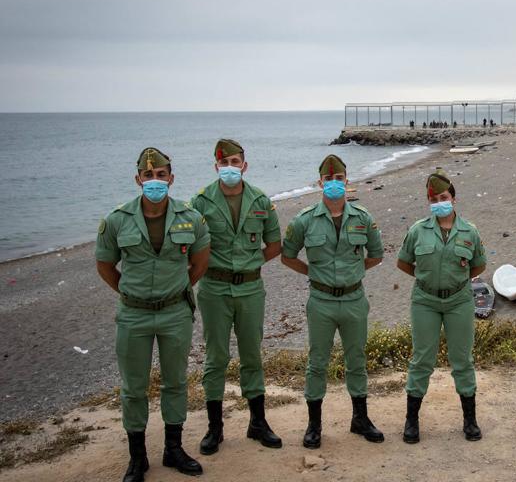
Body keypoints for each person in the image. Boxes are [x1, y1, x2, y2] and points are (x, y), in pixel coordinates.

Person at [95, 148, 210, 482]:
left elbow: (200, 261)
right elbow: (105, 265)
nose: (155, 181)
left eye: (161, 175)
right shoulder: (117, 220)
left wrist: (177, 288)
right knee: (134, 388)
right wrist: (131, 293)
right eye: (149, 176)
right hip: (134, 316)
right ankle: (137, 458)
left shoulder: (190, 217)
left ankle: (173, 450)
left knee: (175, 381)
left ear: (171, 179)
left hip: (175, 312)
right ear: (138, 180)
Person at [281, 154, 385, 448]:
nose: (334, 184)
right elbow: (288, 256)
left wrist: (353, 273)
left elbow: (376, 255)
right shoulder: (304, 220)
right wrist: (313, 273)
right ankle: (314, 425)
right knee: (317, 362)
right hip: (321, 301)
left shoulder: (363, 218)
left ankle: (360, 419)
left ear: (347, 181)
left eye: (339, 179)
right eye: (329, 180)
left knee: (357, 360)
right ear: (320, 183)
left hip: (354, 298)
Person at [191, 139, 283, 455]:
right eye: (223, 162)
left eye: (235, 161)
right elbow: (190, 247)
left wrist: (247, 264)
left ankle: (258, 423)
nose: (229, 167)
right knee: (216, 357)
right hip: (214, 289)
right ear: (216, 166)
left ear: (245, 165)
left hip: (250, 289)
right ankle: (215, 429)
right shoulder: (200, 202)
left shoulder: (260, 200)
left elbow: (274, 244)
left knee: (252, 355)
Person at [396, 169, 486, 443]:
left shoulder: (469, 232)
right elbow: (403, 262)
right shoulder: (417, 230)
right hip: (425, 301)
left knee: (462, 359)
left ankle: (469, 421)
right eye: (434, 198)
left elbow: (478, 265)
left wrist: (452, 283)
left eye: (444, 196)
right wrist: (428, 282)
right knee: (422, 359)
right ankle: (412, 421)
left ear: (454, 198)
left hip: (459, 300)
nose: (439, 202)